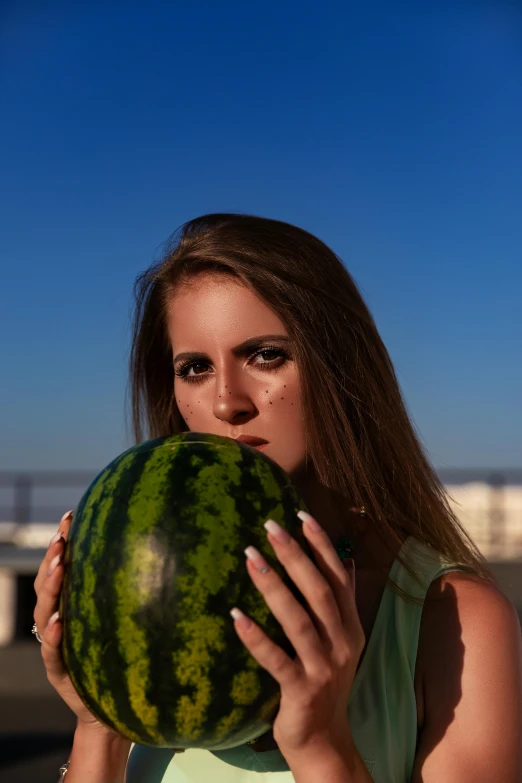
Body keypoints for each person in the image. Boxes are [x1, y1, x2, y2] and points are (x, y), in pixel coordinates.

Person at [33, 213, 522, 782]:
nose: (225, 403)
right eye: (194, 367)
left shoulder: (452, 620)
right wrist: (100, 723)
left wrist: (320, 744)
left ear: (338, 367)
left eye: (265, 355)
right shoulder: (151, 593)